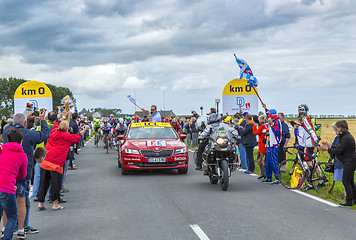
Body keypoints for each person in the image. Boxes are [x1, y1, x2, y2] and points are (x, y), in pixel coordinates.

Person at [2, 111, 49, 238]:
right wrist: (42, 120)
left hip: (7, 173)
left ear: (12, 122)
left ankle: (4, 228)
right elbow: (45, 135)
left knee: (7, 203)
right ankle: (22, 229)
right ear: (25, 123)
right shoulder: (29, 134)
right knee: (22, 201)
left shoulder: (7, 133)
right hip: (23, 172)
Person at [38, 111, 89, 210]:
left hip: (46, 160)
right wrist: (85, 129)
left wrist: (64, 116)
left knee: (43, 183)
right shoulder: (67, 136)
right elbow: (77, 137)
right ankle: (55, 204)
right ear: (67, 128)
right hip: (56, 163)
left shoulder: (53, 132)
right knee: (55, 184)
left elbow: (56, 124)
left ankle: (41, 203)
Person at [318, 120, 356, 207]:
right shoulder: (344, 136)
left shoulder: (346, 138)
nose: (337, 128)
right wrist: (329, 147)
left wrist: (327, 149)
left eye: (338, 127)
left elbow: (338, 150)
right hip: (350, 161)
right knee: (350, 181)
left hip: (349, 161)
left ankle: (349, 201)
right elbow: (339, 148)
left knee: (346, 180)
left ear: (341, 128)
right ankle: (354, 199)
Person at [0, 129, 28, 240]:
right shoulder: (22, 156)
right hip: (7, 188)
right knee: (12, 216)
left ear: (7, 138)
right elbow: (22, 176)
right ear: (21, 141)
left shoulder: (2, 149)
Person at [295, 104, 319, 191]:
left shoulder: (305, 119)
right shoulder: (303, 119)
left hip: (308, 143)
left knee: (309, 162)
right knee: (313, 162)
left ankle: (310, 183)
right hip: (309, 143)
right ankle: (319, 180)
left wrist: (315, 139)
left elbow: (310, 129)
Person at [261, 104, 282, 184]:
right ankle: (269, 177)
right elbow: (267, 113)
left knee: (274, 161)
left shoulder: (276, 122)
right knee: (268, 161)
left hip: (274, 144)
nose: (268, 117)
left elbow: (276, 132)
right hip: (269, 144)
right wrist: (265, 108)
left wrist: (271, 125)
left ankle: (278, 178)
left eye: (269, 115)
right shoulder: (272, 119)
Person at [253, 114, 268, 179]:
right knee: (266, 159)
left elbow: (256, 133)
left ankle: (263, 173)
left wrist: (254, 126)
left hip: (262, 145)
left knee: (260, 159)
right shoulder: (268, 126)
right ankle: (266, 173)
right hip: (267, 145)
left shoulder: (262, 127)